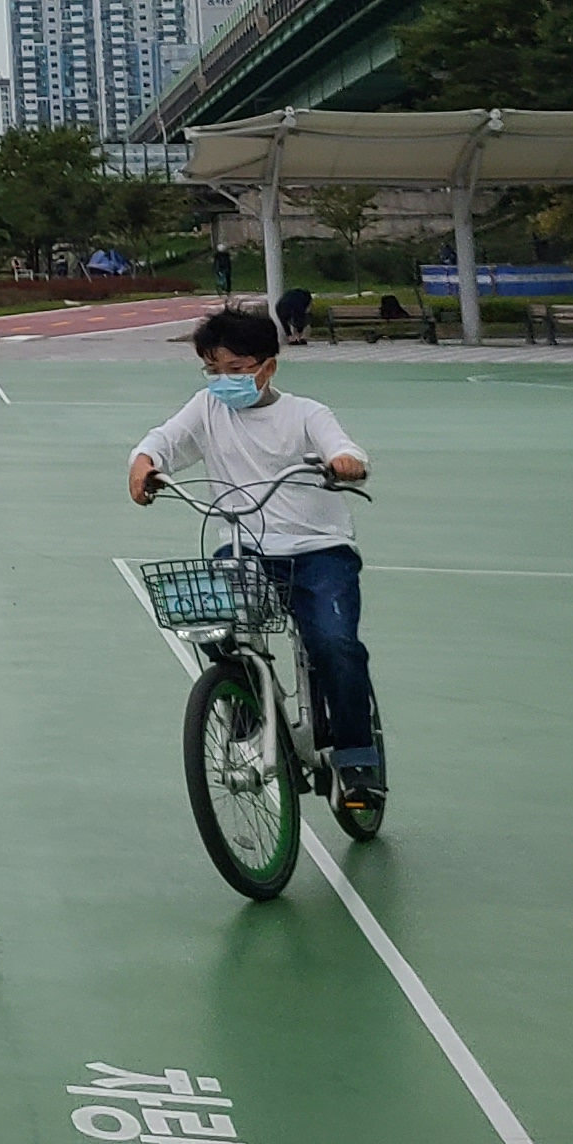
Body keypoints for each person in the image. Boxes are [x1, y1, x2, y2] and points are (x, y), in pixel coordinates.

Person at [127, 305, 382, 826]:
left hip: (318, 549)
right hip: (244, 546)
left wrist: (344, 463)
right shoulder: (207, 408)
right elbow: (166, 439)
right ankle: (245, 712)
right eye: (213, 369)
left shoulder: (307, 413)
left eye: (237, 369)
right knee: (214, 624)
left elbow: (343, 448)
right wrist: (144, 463)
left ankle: (357, 758)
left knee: (334, 644)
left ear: (268, 367)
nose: (224, 380)